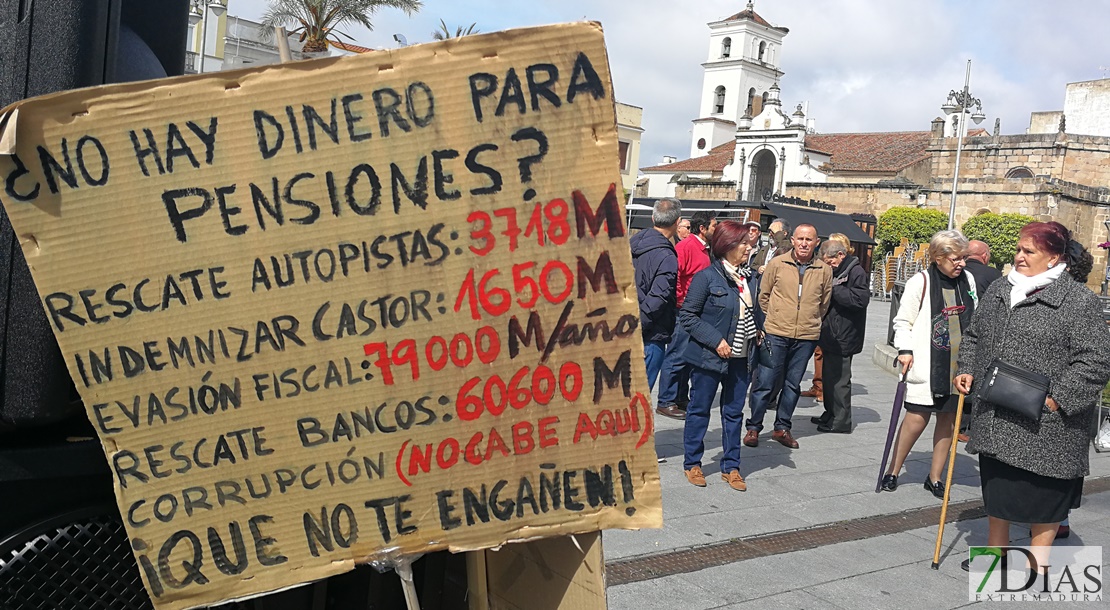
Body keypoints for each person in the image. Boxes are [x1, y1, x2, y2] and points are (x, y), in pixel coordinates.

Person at [955, 222, 1110, 573]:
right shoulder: (999, 289)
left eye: (1030, 251)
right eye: (1019, 249)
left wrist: (1057, 399)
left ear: (1054, 257)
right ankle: (996, 555)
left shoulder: (1077, 300)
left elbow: (1096, 359)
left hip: (1046, 425)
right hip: (996, 413)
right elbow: (975, 335)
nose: (1019, 257)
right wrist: (966, 368)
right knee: (997, 488)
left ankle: (1039, 564)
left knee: (1043, 496)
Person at [881, 230, 977, 497]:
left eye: (963, 258)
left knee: (947, 420)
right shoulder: (920, 282)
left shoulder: (967, 280)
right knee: (916, 418)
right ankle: (893, 470)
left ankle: (935, 476)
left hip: (958, 365)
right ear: (937, 257)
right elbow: (902, 321)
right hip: (927, 362)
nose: (961, 264)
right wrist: (905, 349)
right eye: (955, 259)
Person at [678, 221, 763, 490]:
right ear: (727, 246)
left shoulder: (749, 278)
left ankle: (731, 466)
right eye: (743, 244)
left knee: (734, 412)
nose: (749, 248)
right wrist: (716, 340)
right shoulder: (706, 277)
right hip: (709, 357)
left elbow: (752, 311)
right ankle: (692, 463)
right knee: (699, 409)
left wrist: (758, 330)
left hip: (742, 357)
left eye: (750, 244)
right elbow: (688, 316)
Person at [745, 224, 832, 449]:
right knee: (765, 381)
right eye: (800, 238)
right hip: (776, 332)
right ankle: (753, 427)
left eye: (809, 239)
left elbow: (824, 303)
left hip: (806, 334)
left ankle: (782, 427)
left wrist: (808, 319)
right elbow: (763, 297)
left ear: (817, 243)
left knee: (792, 384)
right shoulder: (777, 263)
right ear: (792, 240)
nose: (804, 243)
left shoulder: (824, 270)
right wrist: (774, 318)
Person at [657, 211, 717, 420]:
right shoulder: (686, 247)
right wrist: (682, 302)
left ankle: (680, 396)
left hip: (697, 311)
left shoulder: (705, 249)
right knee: (677, 354)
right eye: (713, 226)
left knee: (688, 356)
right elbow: (676, 277)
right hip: (685, 310)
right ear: (702, 228)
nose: (715, 229)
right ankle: (666, 400)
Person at [812, 240, 869, 433]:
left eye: (830, 262)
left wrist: (834, 289)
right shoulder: (838, 271)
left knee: (840, 380)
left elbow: (860, 300)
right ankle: (830, 413)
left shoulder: (856, 272)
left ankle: (841, 420)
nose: (829, 266)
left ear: (840, 256)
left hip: (844, 334)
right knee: (829, 378)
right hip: (831, 333)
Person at [630, 197, 681, 391]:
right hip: (648, 334)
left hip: (623, 328)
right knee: (638, 399)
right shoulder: (666, 257)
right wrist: (637, 329)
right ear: (677, 222)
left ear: (653, 218)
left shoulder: (630, 244)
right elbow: (658, 299)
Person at [957, 239, 1003, 442]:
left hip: (956, 327)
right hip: (981, 332)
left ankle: (955, 422)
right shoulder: (993, 274)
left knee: (962, 374)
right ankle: (967, 428)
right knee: (977, 378)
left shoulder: (959, 271)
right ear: (985, 256)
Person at [801, 234, 854, 401]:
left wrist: (832, 289)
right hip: (823, 322)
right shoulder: (827, 268)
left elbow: (858, 299)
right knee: (819, 354)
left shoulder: (852, 270)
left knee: (833, 367)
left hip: (839, 327)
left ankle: (824, 392)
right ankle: (818, 386)